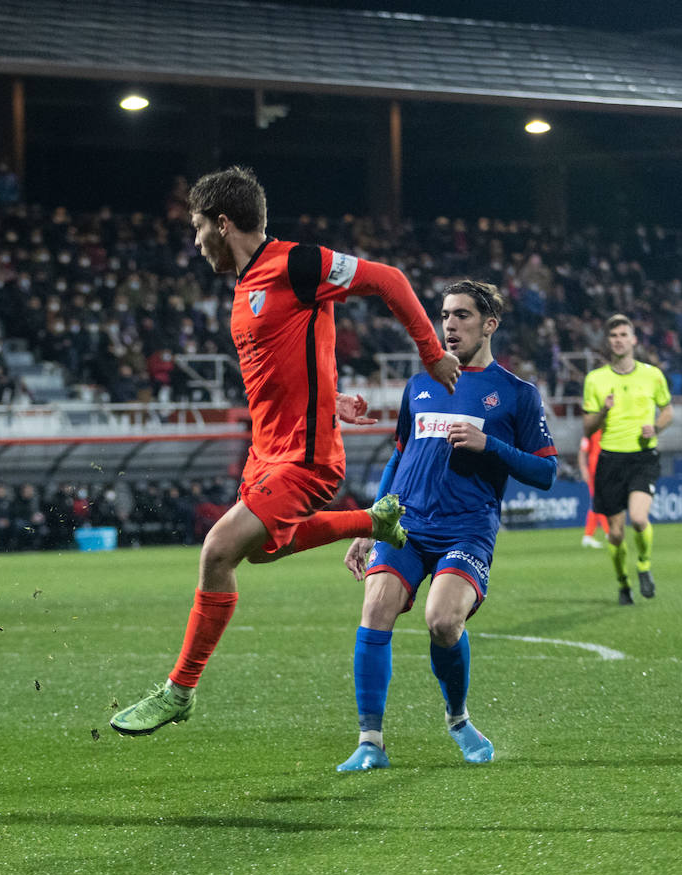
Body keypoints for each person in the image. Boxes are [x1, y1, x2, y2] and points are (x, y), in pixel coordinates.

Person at [110, 165, 460, 738]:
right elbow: (292, 358)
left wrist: (429, 351)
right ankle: (372, 521)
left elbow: (391, 280)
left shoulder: (297, 264)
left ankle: (179, 690)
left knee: (217, 550)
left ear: (224, 223)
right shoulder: (245, 286)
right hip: (266, 452)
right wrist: (331, 396)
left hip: (306, 457)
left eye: (198, 228)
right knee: (262, 553)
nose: (196, 243)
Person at [335, 280, 558, 771]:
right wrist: (371, 522)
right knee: (374, 608)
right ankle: (370, 741)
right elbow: (398, 458)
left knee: (442, 620)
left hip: (467, 527)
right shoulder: (420, 384)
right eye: (444, 316)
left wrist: (490, 445)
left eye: (461, 316)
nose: (449, 326)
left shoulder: (517, 394)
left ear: (489, 324)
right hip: (408, 525)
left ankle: (457, 719)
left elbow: (546, 472)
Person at [582, 314, 673, 605]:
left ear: (634, 339)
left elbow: (668, 411)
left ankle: (644, 565)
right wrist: (604, 412)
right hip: (610, 460)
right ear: (608, 342)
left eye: (624, 334)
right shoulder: (596, 379)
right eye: (613, 336)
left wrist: (656, 427)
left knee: (638, 517)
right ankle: (623, 583)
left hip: (643, 457)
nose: (619, 340)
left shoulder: (653, 375)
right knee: (617, 535)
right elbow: (587, 427)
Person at [578, 430, 607, 549]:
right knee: (599, 502)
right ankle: (608, 532)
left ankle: (588, 535)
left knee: (598, 503)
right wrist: (584, 470)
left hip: (606, 471)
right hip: (595, 472)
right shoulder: (591, 432)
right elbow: (582, 452)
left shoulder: (608, 430)